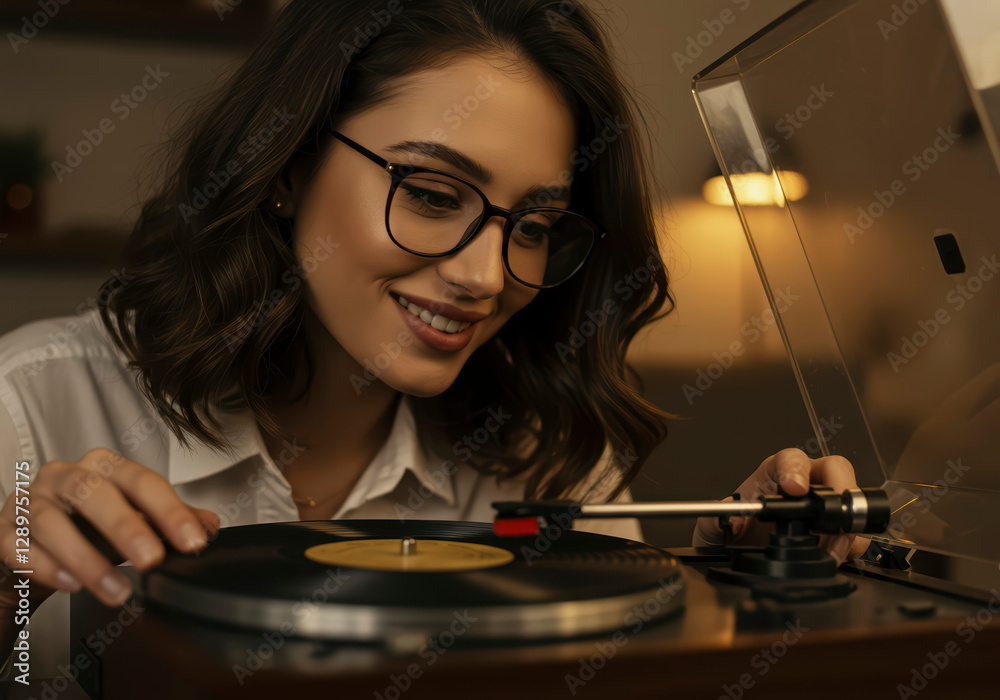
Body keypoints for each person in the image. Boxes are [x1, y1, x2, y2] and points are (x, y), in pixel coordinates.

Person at [0, 0, 866, 680]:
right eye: (433, 193)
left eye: (535, 223)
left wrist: (729, 588)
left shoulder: (550, 461)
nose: (487, 275)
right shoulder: (29, 409)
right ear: (286, 168)